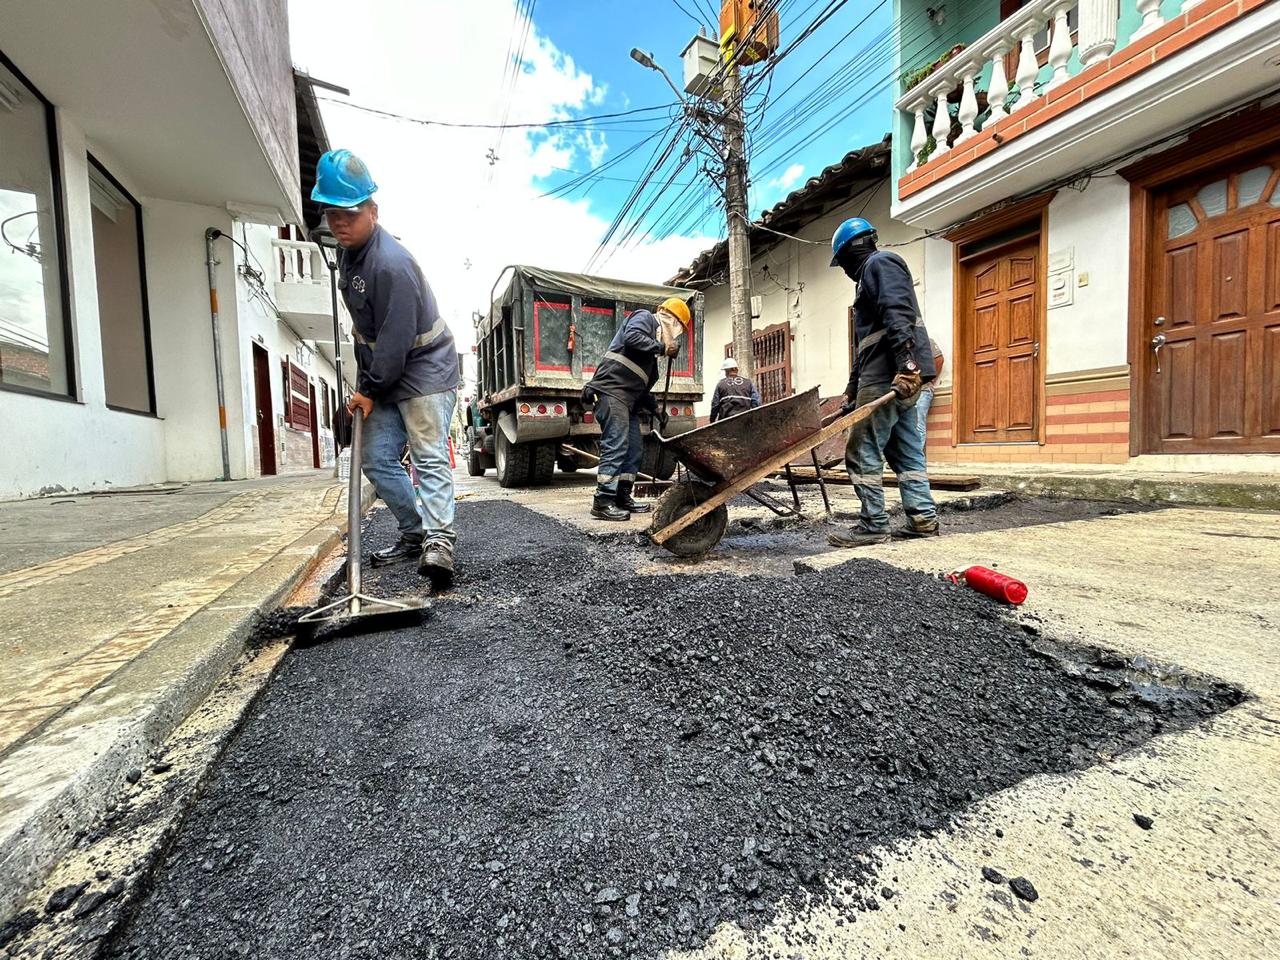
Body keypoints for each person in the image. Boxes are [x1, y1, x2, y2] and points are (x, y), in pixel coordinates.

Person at [313, 149, 460, 586]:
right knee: (375, 457)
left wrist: (370, 389)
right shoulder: (349, 254)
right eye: (332, 213)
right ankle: (415, 533)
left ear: (372, 212)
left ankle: (440, 541)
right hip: (386, 370)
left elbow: (395, 340)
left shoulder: (391, 264)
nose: (340, 223)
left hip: (425, 369)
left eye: (350, 214)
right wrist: (368, 383)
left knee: (428, 455)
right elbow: (370, 337)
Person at [827, 217, 939, 547]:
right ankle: (922, 519)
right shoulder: (867, 280)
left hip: (889, 376)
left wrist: (907, 365)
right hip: (887, 376)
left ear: (850, 251)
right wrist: (850, 390)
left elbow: (898, 312)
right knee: (905, 451)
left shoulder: (881, 263)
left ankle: (874, 524)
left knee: (861, 450)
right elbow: (865, 345)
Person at [582, 297, 692, 521]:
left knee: (634, 449)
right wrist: (663, 347)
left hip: (628, 401)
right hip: (611, 392)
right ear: (670, 320)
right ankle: (603, 501)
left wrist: (657, 411)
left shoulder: (650, 362)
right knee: (617, 444)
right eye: (678, 330)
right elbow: (632, 338)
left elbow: (642, 391)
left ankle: (622, 496)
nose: (675, 337)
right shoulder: (644, 319)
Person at [709, 357, 762, 422]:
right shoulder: (748, 383)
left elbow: (715, 405)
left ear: (726, 371)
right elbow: (756, 402)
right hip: (745, 421)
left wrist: (712, 420)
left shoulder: (721, 384)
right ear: (736, 369)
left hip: (725, 422)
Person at [916, 337, 944, 448]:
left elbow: (939, 359)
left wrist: (931, 379)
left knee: (918, 426)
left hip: (923, 390)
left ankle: (916, 460)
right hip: (907, 393)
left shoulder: (925, 340)